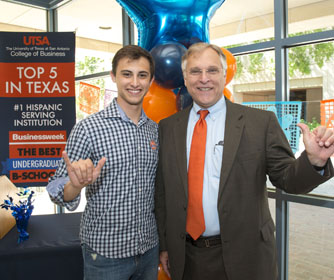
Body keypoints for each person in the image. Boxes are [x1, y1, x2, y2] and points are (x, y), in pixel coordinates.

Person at [154, 42, 334, 280]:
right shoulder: (168, 127)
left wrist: (313, 161)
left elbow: (288, 180)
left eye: (212, 70)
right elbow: (163, 193)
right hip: (187, 258)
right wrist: (165, 245)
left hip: (246, 255)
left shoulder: (260, 123)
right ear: (185, 78)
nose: (204, 78)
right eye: (195, 71)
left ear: (224, 75)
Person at [47, 45, 159, 280]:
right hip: (106, 254)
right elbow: (56, 189)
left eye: (142, 75)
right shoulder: (88, 128)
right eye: (126, 74)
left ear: (151, 80)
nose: (134, 83)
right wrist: (76, 185)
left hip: (149, 249)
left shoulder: (156, 131)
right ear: (113, 77)